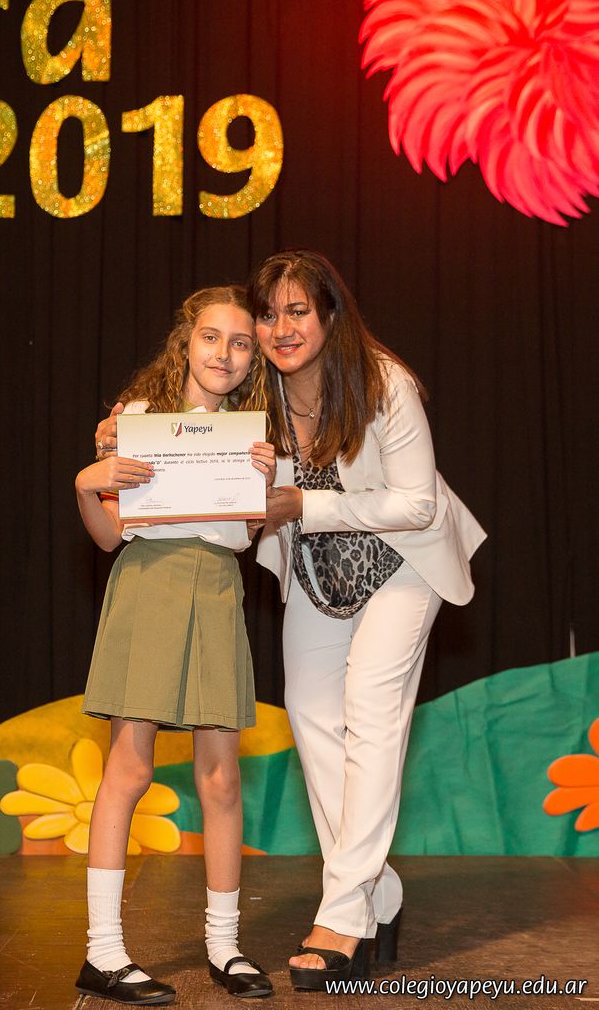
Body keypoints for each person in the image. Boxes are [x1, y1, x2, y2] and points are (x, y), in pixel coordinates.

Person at [247, 250, 486, 991]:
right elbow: (188, 417)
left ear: (329, 315)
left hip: (403, 560)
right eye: (268, 314)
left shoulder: (384, 383)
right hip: (319, 564)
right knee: (311, 716)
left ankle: (343, 915)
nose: (281, 329)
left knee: (372, 711)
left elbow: (417, 503)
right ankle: (377, 895)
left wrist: (305, 503)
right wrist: (123, 434)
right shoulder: (258, 391)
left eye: (297, 311)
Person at [75, 285, 276, 1005]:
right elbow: (108, 536)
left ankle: (225, 946)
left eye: (241, 343)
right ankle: (103, 953)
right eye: (211, 338)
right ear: (185, 343)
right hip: (149, 584)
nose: (224, 353)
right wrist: (87, 483)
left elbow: (245, 534)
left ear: (253, 359)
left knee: (220, 779)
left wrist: (264, 482)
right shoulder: (134, 423)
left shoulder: (254, 441)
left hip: (217, 588)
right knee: (129, 769)